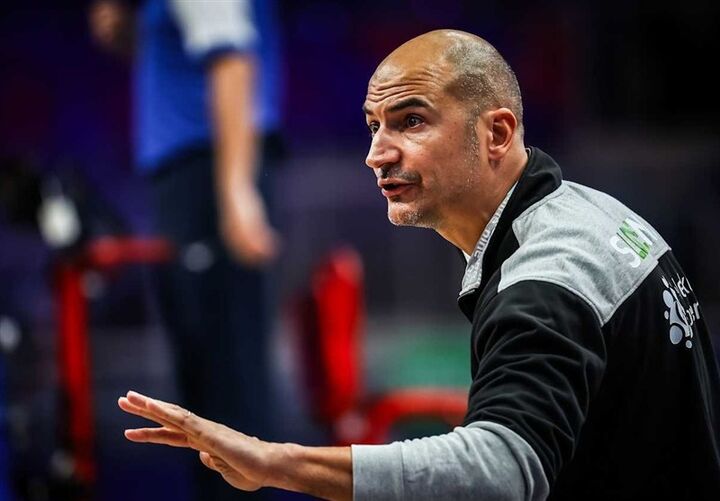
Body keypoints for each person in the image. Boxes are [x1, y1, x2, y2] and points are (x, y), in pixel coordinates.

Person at [118, 30, 720, 500]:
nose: (376, 153)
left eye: (411, 121)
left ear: (497, 133)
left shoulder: (547, 277)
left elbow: (500, 473)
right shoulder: (592, 214)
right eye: (373, 126)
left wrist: (276, 462)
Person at [89, 1, 283, 500]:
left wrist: (236, 191)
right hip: (192, 174)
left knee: (228, 386)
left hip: (208, 175)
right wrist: (133, 32)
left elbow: (232, 60)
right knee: (204, 385)